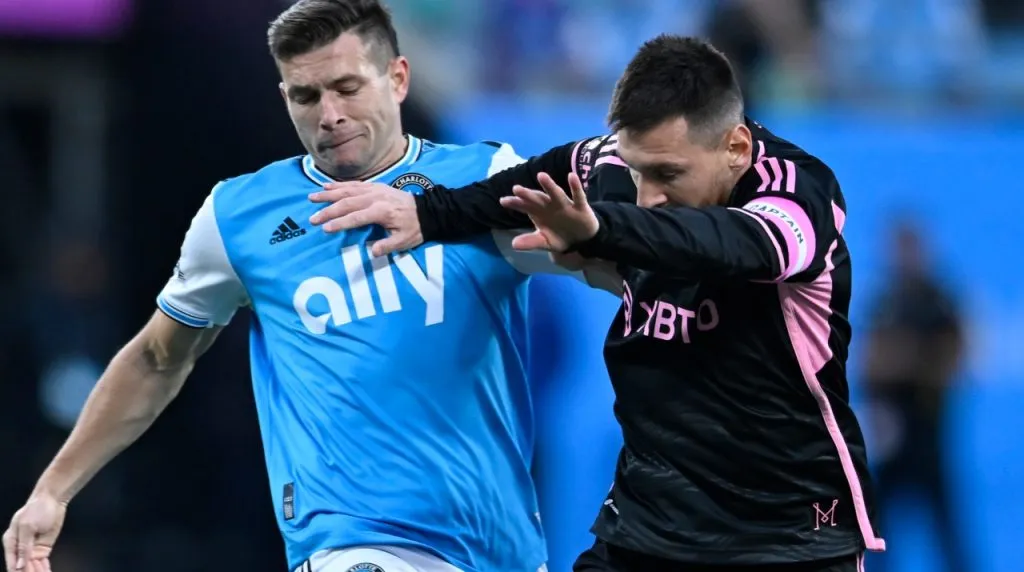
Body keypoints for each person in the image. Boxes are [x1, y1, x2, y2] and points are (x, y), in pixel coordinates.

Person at [0, 1, 600, 571]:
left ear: (397, 78)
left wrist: (588, 246)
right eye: (305, 96)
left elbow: (596, 272)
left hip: (500, 544)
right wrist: (54, 489)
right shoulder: (240, 217)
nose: (328, 115)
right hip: (348, 539)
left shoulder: (482, 177)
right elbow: (158, 357)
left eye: (346, 88)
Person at [309, 35, 885, 571]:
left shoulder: (798, 190)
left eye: (668, 174)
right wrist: (428, 213)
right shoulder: (619, 169)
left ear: (734, 147)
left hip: (788, 532)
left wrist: (600, 229)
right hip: (650, 520)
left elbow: (732, 246)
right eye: (636, 171)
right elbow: (536, 179)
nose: (648, 196)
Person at [862, 219, 969, 572]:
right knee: (878, 538)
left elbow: (956, 358)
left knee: (948, 536)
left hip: (929, 437)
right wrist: (912, 358)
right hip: (892, 441)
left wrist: (908, 359)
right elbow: (871, 363)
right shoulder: (885, 301)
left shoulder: (940, 300)